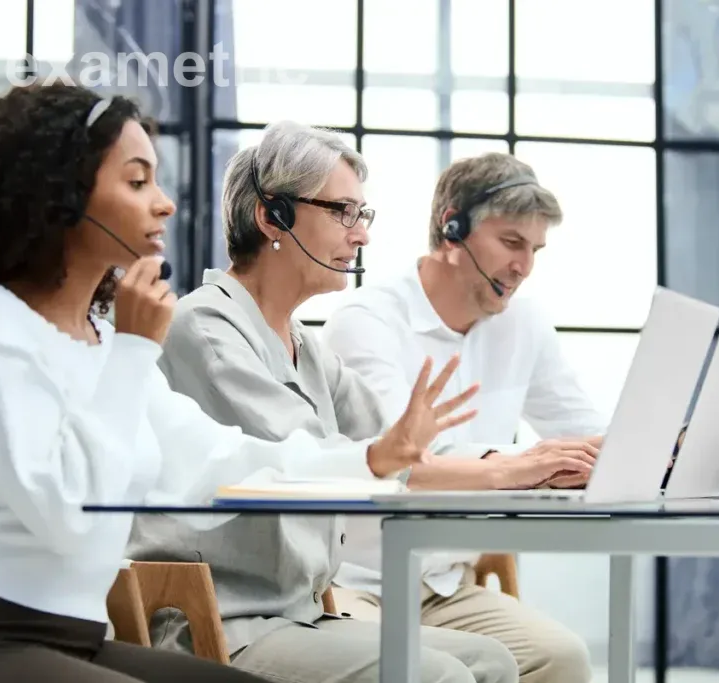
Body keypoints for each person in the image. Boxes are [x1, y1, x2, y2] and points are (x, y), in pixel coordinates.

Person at [0, 84, 473, 683]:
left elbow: (225, 461)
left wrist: (372, 459)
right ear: (60, 192)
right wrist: (134, 349)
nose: (165, 204)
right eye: (137, 181)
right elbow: (69, 514)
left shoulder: (102, 342)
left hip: (76, 640)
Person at [320, 152, 719, 683]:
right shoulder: (366, 321)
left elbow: (582, 431)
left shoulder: (523, 323)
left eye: (535, 250)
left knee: (563, 658)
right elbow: (406, 463)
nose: (524, 266)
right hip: (355, 583)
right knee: (435, 670)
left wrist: (672, 446)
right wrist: (529, 463)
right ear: (452, 227)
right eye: (511, 242)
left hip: (443, 586)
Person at [128, 120, 524, 683]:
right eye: (342, 212)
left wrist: (527, 462)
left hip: (299, 613)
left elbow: (402, 448)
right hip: (224, 623)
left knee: (493, 661)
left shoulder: (305, 346)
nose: (361, 235)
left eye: (362, 215)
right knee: (440, 676)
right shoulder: (205, 327)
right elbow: (318, 460)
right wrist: (418, 459)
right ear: (272, 216)